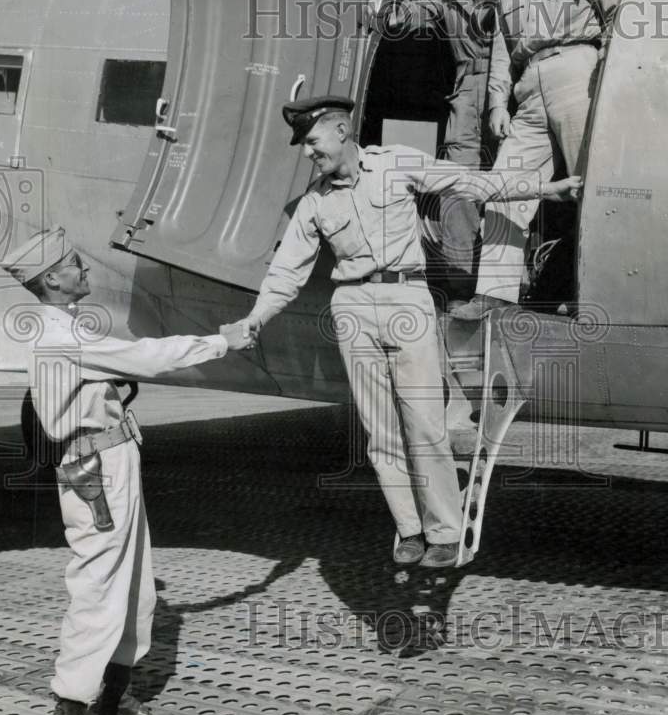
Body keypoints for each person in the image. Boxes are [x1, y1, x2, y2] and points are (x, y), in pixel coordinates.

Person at [239, 95, 582, 569]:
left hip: (408, 298)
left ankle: (444, 532)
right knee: (380, 431)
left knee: (424, 422)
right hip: (353, 308)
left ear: (341, 131)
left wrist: (547, 189)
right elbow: (285, 273)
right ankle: (410, 529)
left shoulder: (395, 163)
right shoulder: (315, 201)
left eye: (312, 141)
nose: (307, 152)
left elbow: (472, 183)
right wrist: (256, 317)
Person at [1, 226, 255, 715]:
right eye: (74, 264)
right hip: (96, 473)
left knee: (136, 586)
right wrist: (221, 341)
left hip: (114, 461)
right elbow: (146, 356)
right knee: (98, 592)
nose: (85, 269)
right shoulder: (61, 334)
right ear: (51, 279)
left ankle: (116, 701)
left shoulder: (64, 326)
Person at [450, 0, 621, 320]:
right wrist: (496, 105)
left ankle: (589, 292)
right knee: (505, 188)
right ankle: (494, 295)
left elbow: (620, 18)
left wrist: (607, 72)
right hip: (527, 92)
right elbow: (503, 52)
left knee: (593, 188)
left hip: (577, 74)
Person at [383, 0, 508, 306]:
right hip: (465, 105)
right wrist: (398, 6)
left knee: (514, 197)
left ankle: (506, 292)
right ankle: (459, 292)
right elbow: (409, 16)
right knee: (458, 196)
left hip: (512, 100)